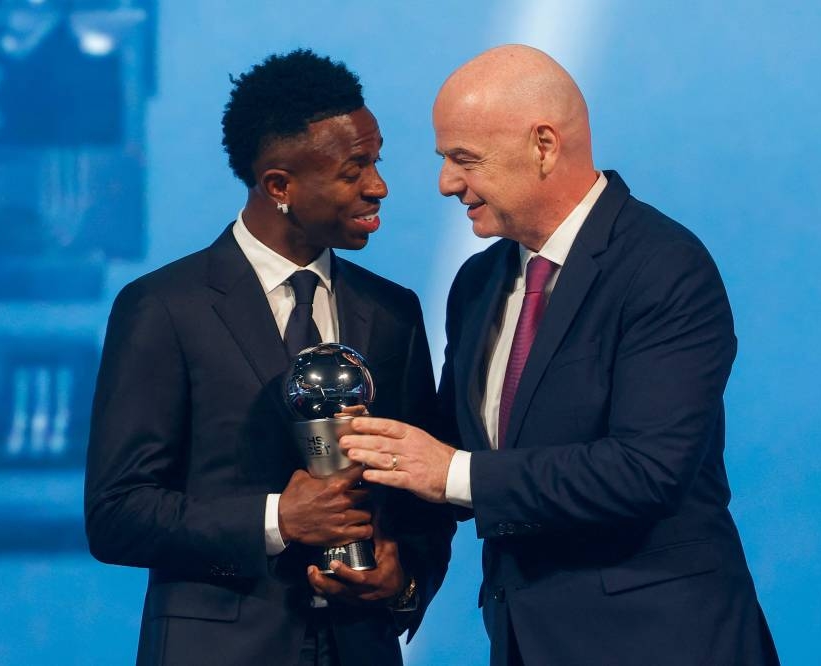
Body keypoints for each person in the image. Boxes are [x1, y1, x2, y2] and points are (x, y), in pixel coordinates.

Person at [340, 44, 779, 665]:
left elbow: (646, 470)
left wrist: (455, 474)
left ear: (544, 146)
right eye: (444, 160)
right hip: (524, 642)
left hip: (661, 642)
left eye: (464, 159)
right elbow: (442, 453)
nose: (447, 184)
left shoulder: (663, 267)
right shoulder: (478, 283)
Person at [84, 49, 454, 666]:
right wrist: (279, 518)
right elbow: (117, 513)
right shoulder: (164, 307)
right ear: (280, 186)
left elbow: (422, 499)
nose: (378, 186)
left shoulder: (394, 312)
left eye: (377, 161)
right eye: (354, 169)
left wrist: (404, 582)